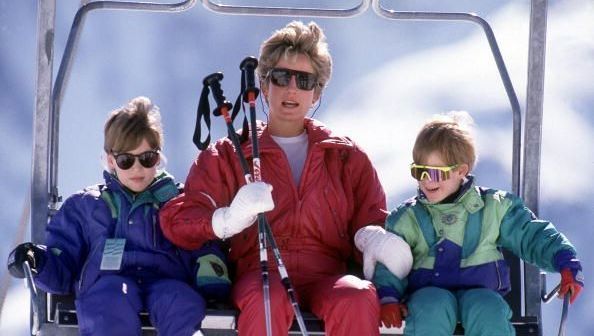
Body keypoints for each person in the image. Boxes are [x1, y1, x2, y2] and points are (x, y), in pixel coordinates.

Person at [159, 21, 397, 335]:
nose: (291, 89)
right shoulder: (230, 154)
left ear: (317, 92)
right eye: (282, 77)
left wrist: (373, 240)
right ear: (263, 84)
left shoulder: (345, 157)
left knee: (356, 296)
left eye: (304, 80)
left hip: (328, 275)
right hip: (259, 272)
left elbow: (372, 220)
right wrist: (226, 220)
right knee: (266, 298)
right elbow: (178, 220)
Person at [7, 96, 230, 336]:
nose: (137, 169)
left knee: (180, 302)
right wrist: (37, 262)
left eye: (147, 159)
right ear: (111, 160)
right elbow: (64, 261)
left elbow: (202, 240)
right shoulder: (86, 207)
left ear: (158, 157)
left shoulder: (179, 202)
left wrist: (212, 274)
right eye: (126, 160)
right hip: (109, 285)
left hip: (166, 281)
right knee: (108, 301)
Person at [356, 111, 584, 335]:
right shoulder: (409, 218)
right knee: (431, 307)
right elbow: (391, 261)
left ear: (460, 171)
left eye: (434, 173)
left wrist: (564, 260)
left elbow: (530, 234)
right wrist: (388, 298)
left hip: (480, 293)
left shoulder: (492, 209)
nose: (425, 181)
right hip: (427, 295)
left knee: (488, 309)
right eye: (419, 171)